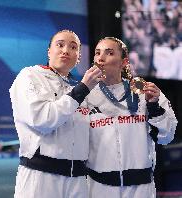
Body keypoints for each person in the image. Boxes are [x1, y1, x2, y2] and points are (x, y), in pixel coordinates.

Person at [9, 30, 102, 198]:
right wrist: (81, 90)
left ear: (79, 57)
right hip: (41, 176)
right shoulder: (30, 76)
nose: (66, 50)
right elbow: (43, 119)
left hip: (78, 180)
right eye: (60, 45)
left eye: (73, 47)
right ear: (49, 51)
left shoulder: (82, 88)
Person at [85, 37, 178, 198]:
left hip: (140, 189)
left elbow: (167, 136)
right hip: (98, 188)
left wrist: (154, 107)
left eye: (110, 53)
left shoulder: (144, 90)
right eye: (97, 53)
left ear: (124, 62)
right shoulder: (85, 95)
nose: (101, 58)